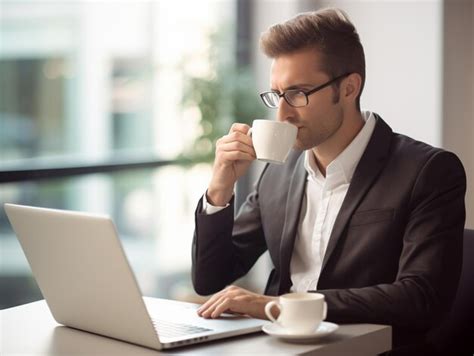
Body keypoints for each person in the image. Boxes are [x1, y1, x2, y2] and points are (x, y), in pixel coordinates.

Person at [191, 7, 466, 351]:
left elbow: (420, 297)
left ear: (349, 88)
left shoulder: (428, 171)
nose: (283, 113)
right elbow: (210, 278)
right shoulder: (278, 171)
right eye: (277, 94)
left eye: (297, 93)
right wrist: (220, 188)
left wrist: (278, 306)